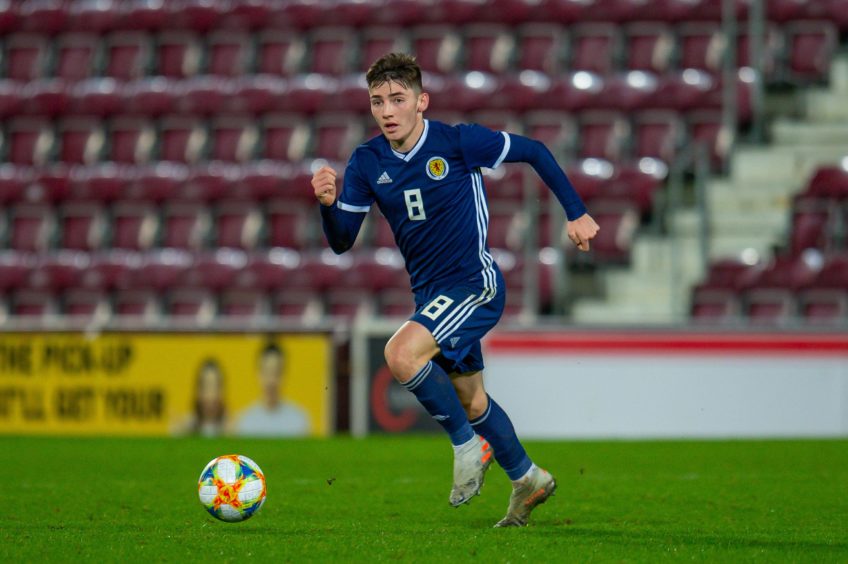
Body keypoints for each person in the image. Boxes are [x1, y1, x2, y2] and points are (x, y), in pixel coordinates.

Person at [311, 53, 599, 527]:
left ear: (421, 102)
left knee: (401, 354)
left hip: (474, 285)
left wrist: (575, 211)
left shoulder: (458, 142)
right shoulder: (366, 162)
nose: (386, 111)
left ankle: (467, 446)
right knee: (472, 401)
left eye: (397, 99)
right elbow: (342, 241)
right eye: (377, 101)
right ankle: (528, 477)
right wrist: (327, 204)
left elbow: (535, 151)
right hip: (433, 297)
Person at [235, 341, 310, 437]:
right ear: (258, 374)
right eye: (267, 372)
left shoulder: (299, 420)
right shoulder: (245, 422)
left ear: (284, 375)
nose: (271, 381)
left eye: (276, 373)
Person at [172, 358, 229, 437]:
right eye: (206, 386)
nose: (211, 395)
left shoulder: (235, 430)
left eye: (216, 386)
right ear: (197, 391)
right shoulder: (183, 428)